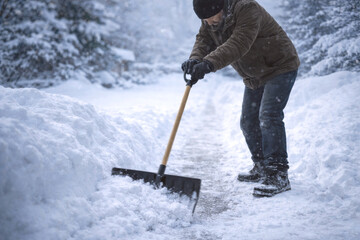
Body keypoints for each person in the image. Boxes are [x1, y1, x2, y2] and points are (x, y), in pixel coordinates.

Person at [182, 0, 300, 197]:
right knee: (248, 121)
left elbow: (239, 43)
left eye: (210, 16)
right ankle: (261, 166)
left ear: (220, 7)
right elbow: (204, 40)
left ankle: (278, 174)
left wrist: (209, 63)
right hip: (255, 75)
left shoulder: (247, 8)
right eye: (204, 19)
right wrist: (195, 59)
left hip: (279, 67)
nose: (209, 22)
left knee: (269, 116)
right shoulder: (211, 20)